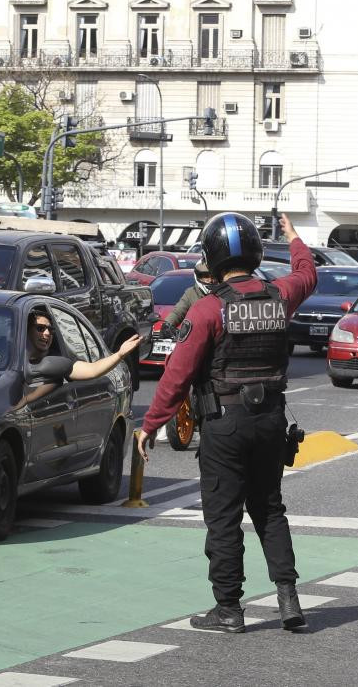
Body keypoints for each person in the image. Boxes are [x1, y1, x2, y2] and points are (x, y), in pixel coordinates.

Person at [135, 212, 317, 635]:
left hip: (224, 423)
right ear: (254, 253)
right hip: (271, 421)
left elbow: (176, 376)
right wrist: (293, 238)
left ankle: (229, 609)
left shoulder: (207, 310)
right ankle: (288, 598)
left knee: (223, 517)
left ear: (211, 258)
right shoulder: (281, 295)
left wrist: (150, 424)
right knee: (270, 509)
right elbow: (307, 273)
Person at [6, 308, 141, 408]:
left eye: (50, 330)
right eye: (40, 328)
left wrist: (119, 354)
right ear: (26, 331)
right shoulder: (4, 353)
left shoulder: (58, 362)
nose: (47, 333)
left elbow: (92, 370)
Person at [161, 260, 215, 335]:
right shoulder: (191, 293)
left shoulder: (223, 292)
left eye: (212, 276)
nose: (209, 280)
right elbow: (178, 312)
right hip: (198, 337)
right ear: (198, 276)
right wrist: (167, 324)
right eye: (205, 276)